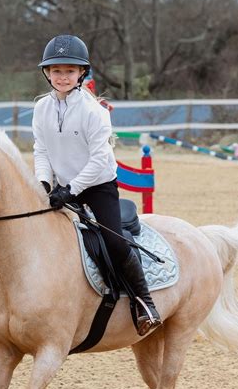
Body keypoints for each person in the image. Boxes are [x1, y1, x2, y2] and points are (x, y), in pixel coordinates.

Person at [32, 34, 161, 335]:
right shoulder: (41, 109)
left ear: (81, 74)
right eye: (56, 71)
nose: (62, 77)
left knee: (114, 242)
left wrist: (71, 189)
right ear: (47, 74)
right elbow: (41, 150)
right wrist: (43, 184)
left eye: (69, 71)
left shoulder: (94, 112)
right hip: (60, 186)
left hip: (97, 185)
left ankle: (145, 303)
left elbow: (100, 159)